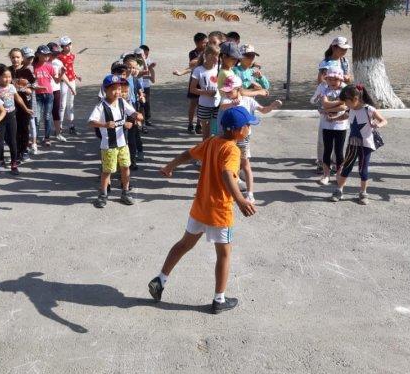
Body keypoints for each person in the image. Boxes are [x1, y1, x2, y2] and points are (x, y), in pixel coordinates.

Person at [149, 107, 258, 314]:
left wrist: (170, 166)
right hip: (220, 211)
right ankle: (219, 300)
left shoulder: (211, 142)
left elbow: (187, 154)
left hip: (200, 207)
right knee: (224, 254)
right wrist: (241, 200)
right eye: (248, 125)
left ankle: (160, 280)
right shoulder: (232, 149)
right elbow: (227, 174)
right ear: (237, 130)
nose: (249, 128)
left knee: (183, 245)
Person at [218, 75, 282, 202]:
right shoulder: (225, 100)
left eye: (230, 91)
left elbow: (263, 110)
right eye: (226, 91)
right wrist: (232, 103)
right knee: (230, 164)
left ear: (238, 89)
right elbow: (223, 106)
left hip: (243, 138)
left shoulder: (248, 100)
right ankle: (231, 188)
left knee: (245, 164)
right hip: (229, 138)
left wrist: (272, 105)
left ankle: (250, 193)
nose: (228, 93)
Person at [328, 85, 388, 205]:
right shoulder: (350, 109)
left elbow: (384, 120)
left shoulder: (369, 109)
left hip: (366, 145)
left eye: (346, 101)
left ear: (355, 99)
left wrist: (378, 125)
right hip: (352, 144)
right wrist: (334, 118)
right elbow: (345, 116)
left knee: (363, 169)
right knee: (347, 167)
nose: (345, 104)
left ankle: (363, 192)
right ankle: (339, 190)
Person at [89, 74, 139, 208]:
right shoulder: (101, 106)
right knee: (107, 170)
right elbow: (91, 122)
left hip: (123, 143)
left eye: (119, 88)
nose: (117, 92)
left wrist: (135, 118)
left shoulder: (123, 102)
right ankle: (103, 194)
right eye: (113, 89)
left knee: (126, 167)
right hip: (108, 145)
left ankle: (125, 192)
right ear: (105, 90)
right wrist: (104, 125)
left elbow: (132, 113)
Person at [311, 69, 348, 185]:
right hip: (326, 124)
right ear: (326, 78)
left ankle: (338, 174)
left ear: (341, 79)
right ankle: (326, 174)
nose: (332, 82)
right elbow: (318, 102)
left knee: (339, 151)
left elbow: (345, 107)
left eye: (336, 79)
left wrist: (327, 108)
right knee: (327, 150)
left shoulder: (345, 89)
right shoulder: (322, 87)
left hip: (341, 126)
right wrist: (337, 105)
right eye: (330, 79)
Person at [0, 64, 32, 174]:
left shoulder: (11, 87)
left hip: (11, 117)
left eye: (9, 77)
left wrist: (25, 108)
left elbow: (18, 98)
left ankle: (14, 164)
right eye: (5, 77)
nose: (7, 79)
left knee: (13, 142)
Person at [173, 32, 208, 135]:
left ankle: (199, 124)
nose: (206, 44)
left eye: (207, 42)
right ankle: (190, 124)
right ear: (198, 43)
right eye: (204, 43)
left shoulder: (209, 52)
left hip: (204, 81)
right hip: (195, 80)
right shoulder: (193, 53)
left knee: (201, 104)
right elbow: (192, 65)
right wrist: (181, 73)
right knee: (193, 104)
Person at [190, 44, 220, 141]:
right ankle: (206, 154)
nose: (217, 58)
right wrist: (207, 93)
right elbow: (192, 89)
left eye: (218, 55)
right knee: (206, 134)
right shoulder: (198, 70)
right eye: (214, 55)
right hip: (204, 105)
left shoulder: (219, 69)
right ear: (207, 56)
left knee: (216, 132)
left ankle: (213, 153)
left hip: (217, 105)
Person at [10, 48, 35, 160]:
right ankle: (16, 151)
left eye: (18, 57)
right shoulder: (7, 70)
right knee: (13, 129)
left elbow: (32, 87)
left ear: (22, 58)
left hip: (25, 104)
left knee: (24, 128)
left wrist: (26, 89)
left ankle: (24, 150)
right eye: (13, 57)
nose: (15, 59)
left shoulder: (27, 71)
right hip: (10, 104)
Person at [32, 45, 56, 148]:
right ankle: (34, 139)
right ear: (37, 55)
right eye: (44, 54)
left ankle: (47, 138)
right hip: (37, 95)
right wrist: (37, 87)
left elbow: (56, 80)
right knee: (37, 118)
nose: (46, 56)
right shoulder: (33, 66)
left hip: (49, 94)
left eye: (48, 54)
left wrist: (62, 73)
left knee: (47, 117)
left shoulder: (49, 65)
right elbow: (31, 82)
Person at [57, 36, 81, 136]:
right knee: (62, 104)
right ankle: (60, 127)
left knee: (70, 104)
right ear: (62, 47)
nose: (68, 47)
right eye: (66, 46)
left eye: (69, 44)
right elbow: (60, 70)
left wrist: (76, 75)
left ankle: (71, 126)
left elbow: (71, 68)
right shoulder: (59, 57)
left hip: (72, 80)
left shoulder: (72, 56)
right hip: (63, 81)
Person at [48, 42, 68, 142]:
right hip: (44, 90)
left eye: (56, 54)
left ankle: (58, 133)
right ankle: (46, 136)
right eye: (53, 53)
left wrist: (63, 73)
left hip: (56, 89)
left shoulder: (58, 62)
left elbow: (59, 79)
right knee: (45, 113)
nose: (55, 56)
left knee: (56, 111)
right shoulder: (42, 63)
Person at [138, 45, 156, 126]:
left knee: (147, 103)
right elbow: (138, 74)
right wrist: (148, 72)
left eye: (147, 54)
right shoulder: (137, 62)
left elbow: (152, 77)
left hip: (146, 86)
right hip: (139, 86)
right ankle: (141, 120)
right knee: (140, 104)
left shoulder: (148, 60)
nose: (146, 56)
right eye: (144, 54)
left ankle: (147, 119)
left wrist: (151, 69)